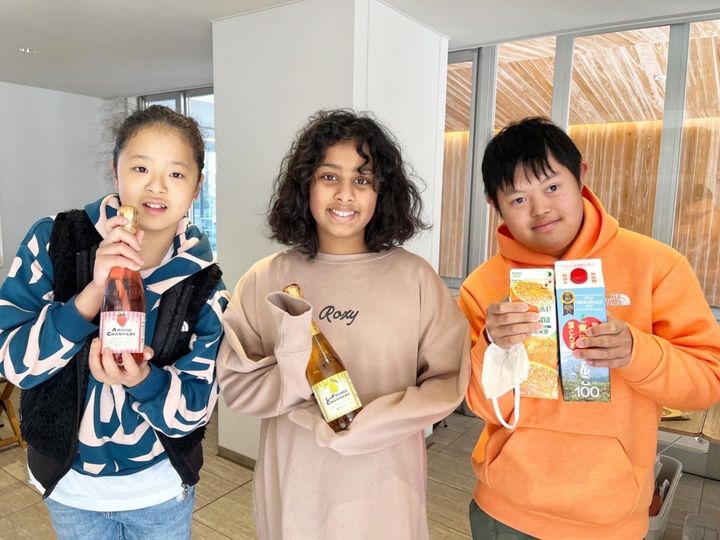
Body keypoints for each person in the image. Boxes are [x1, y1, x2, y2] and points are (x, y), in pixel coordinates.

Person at [458, 117, 720, 539]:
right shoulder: (482, 287)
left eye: (552, 187)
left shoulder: (655, 266)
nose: (540, 209)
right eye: (518, 198)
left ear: (580, 175)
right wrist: (495, 347)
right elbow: (483, 408)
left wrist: (637, 352)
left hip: (609, 519)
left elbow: (707, 382)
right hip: (505, 510)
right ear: (495, 204)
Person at [217, 109, 470, 540]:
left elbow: (448, 380)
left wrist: (369, 426)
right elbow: (238, 384)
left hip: (386, 482)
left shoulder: (414, 277)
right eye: (329, 177)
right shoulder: (267, 277)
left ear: (382, 192)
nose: (345, 194)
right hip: (297, 478)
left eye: (363, 179)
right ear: (306, 185)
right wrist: (300, 386)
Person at [0, 105, 226, 539]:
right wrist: (90, 295)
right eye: (140, 168)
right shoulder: (54, 240)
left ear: (198, 185)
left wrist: (144, 380)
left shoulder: (206, 284)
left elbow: (194, 412)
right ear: (115, 170)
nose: (156, 186)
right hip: (70, 486)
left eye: (176, 174)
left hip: (159, 488)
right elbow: (12, 364)